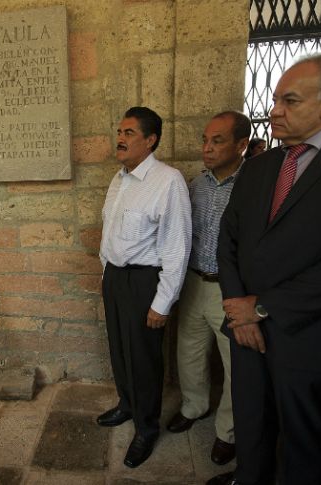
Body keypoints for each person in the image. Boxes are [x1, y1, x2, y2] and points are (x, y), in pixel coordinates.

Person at [206, 52, 321, 485]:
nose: (274, 110)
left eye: (290, 101)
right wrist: (235, 307)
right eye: (275, 98)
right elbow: (228, 241)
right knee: (252, 428)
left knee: (304, 445)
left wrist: (261, 308)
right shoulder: (260, 167)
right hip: (245, 331)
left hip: (309, 337)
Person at [97, 106, 192, 468]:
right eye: (119, 131)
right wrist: (106, 273)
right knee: (120, 349)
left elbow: (177, 246)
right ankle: (127, 404)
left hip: (144, 281)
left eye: (129, 133)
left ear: (150, 141)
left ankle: (146, 428)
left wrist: (162, 303)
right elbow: (109, 231)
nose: (120, 139)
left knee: (144, 358)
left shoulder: (168, 181)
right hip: (117, 278)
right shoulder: (118, 179)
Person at [168, 111, 251, 468]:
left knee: (235, 365)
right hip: (194, 281)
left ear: (241, 144)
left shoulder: (253, 185)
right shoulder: (196, 184)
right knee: (188, 351)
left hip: (230, 290)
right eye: (205, 140)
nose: (207, 148)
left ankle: (228, 432)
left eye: (217, 141)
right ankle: (194, 406)